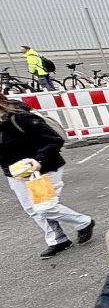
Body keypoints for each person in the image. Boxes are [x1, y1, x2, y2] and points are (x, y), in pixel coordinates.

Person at [1, 93, 94, 258]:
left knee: (45, 207)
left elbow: (54, 140)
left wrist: (38, 160)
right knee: (33, 209)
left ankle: (83, 222)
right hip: (15, 173)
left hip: (41, 170)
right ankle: (57, 240)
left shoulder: (21, 118)